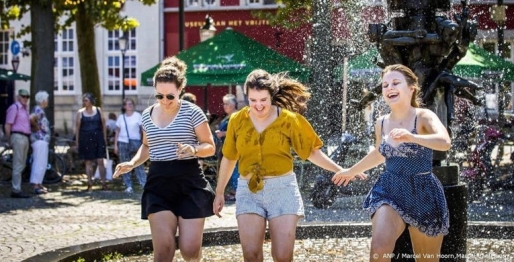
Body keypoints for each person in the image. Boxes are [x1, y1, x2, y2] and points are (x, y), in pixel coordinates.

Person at [212, 69, 365, 261]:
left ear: (271, 97)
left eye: (263, 100)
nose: (258, 105)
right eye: (253, 100)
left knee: (283, 256)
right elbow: (229, 157)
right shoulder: (237, 120)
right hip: (248, 190)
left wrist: (340, 170)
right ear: (246, 97)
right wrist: (219, 192)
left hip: (283, 190)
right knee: (251, 255)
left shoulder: (289, 120)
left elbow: (311, 152)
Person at [332, 64, 451, 260]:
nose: (389, 88)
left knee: (427, 259)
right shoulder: (381, 122)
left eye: (395, 83)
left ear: (411, 87)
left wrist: (412, 137)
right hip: (390, 188)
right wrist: (351, 170)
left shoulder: (423, 116)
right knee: (379, 249)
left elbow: (444, 142)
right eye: (385, 85)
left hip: (423, 191)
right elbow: (380, 154)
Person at [112, 56, 216, 261]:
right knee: (164, 250)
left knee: (189, 251)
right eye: (160, 96)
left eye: (170, 96)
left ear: (180, 90)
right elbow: (147, 146)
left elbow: (210, 147)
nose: (165, 101)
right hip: (158, 185)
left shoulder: (192, 112)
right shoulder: (147, 114)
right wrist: (132, 163)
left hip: (190, 183)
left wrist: (194, 149)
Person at [75, 93, 108, 191]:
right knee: (88, 161)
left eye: (86, 100)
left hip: (98, 138)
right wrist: (77, 141)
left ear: (91, 101)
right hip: (85, 139)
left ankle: (103, 182)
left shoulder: (98, 110)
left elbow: (104, 125)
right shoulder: (80, 112)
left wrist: (104, 138)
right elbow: (77, 128)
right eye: (83, 100)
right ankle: (89, 183)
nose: (84, 102)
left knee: (100, 161)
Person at [113, 98, 146, 193]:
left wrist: (144, 142)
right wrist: (115, 145)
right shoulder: (121, 117)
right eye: (128, 104)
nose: (130, 105)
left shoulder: (137, 116)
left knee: (138, 164)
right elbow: (117, 131)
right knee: (124, 164)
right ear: (124, 106)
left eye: (131, 103)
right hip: (123, 142)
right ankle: (128, 186)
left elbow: (142, 130)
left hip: (135, 141)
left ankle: (143, 184)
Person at [4, 89, 32, 198]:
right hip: (18, 136)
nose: (25, 99)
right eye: (23, 96)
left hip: (25, 137)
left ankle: (17, 187)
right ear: (18, 97)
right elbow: (8, 125)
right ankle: (16, 189)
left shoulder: (24, 110)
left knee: (22, 164)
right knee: (18, 164)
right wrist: (9, 139)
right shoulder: (14, 108)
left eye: (27, 97)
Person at [214, 94, 239, 201]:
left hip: (235, 147)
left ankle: (236, 192)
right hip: (226, 146)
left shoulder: (237, 115)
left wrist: (223, 133)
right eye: (224, 103)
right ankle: (233, 191)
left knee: (235, 170)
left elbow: (239, 132)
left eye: (227, 103)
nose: (225, 106)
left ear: (234, 104)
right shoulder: (227, 116)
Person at [29, 91, 51, 195]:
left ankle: (39, 183)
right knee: (39, 162)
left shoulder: (40, 110)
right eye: (46, 99)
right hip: (39, 139)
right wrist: (36, 127)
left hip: (42, 140)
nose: (47, 101)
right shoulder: (38, 110)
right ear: (43, 100)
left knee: (42, 162)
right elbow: (31, 119)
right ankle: (35, 185)